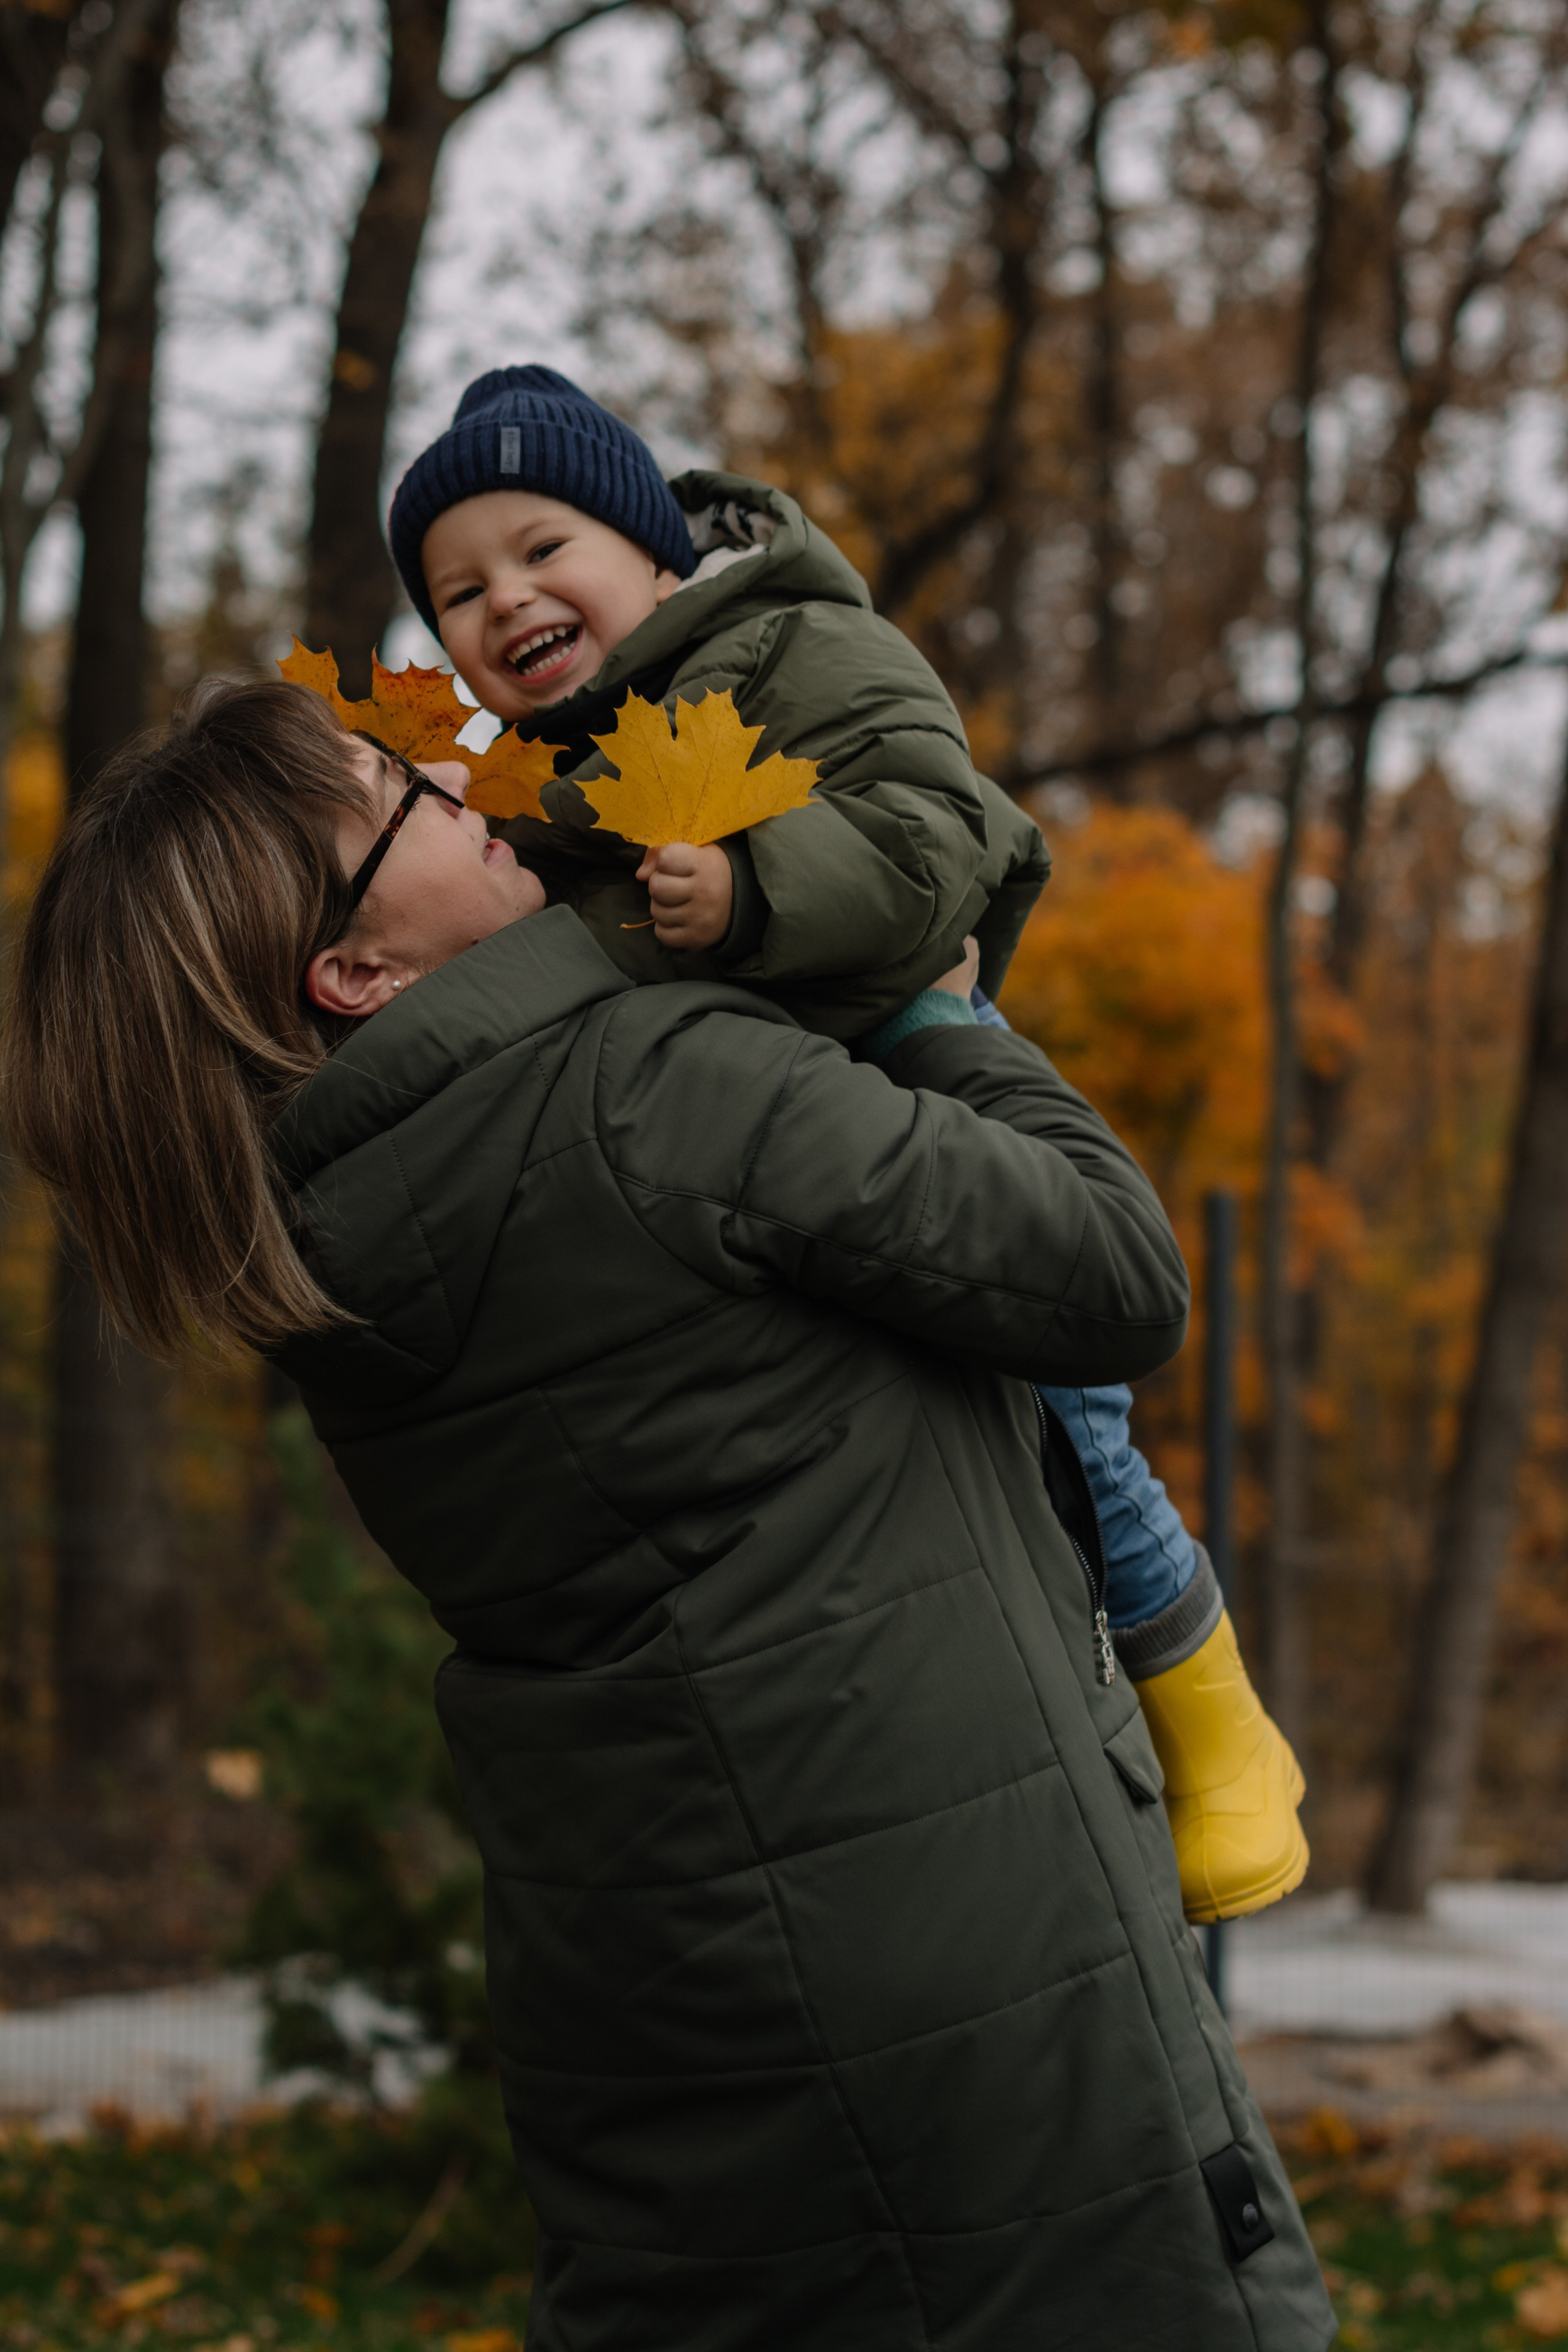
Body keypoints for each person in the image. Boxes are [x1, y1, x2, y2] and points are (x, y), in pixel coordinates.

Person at [4, 680, 1335, 2351]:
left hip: (652, 2014)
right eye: (388, 793)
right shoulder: (649, 1089)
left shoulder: (337, 1258)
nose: (442, 780)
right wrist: (941, 1020)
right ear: (351, 972)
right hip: (971, 1991)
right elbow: (1115, 1271)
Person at [385, 363, 1306, 1923]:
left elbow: (935, 837)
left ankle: (1216, 1722)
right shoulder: (533, 783)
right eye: (458, 590)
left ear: (647, 544)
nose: (505, 600)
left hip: (893, 1041)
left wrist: (754, 895)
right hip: (753, 1125)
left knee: (1064, 1408)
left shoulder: (797, 642)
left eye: (543, 548)